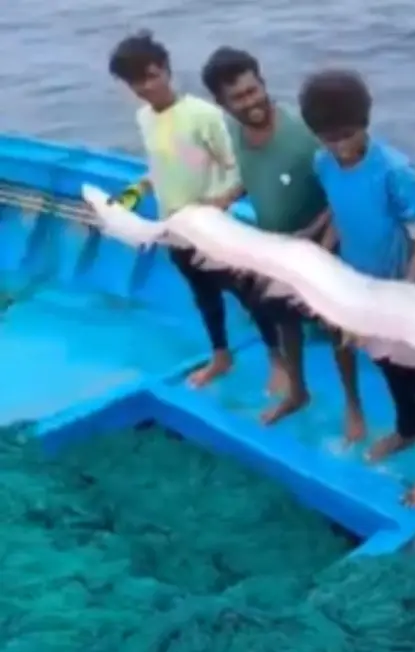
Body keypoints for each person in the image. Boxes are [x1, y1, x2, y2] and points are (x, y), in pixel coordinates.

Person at [296, 68, 415, 505]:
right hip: (357, 288)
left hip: (399, 289)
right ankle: (408, 428)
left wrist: (409, 287)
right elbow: (339, 211)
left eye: (348, 135)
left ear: (365, 122)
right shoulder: (322, 163)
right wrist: (321, 256)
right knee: (385, 364)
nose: (341, 147)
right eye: (330, 138)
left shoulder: (396, 171)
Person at [106, 31, 273, 389]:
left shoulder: (204, 115)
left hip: (213, 230)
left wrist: (220, 202)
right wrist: (137, 190)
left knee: (249, 295)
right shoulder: (144, 118)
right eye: (136, 82)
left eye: (151, 76)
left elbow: (238, 168)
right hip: (175, 228)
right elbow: (162, 166)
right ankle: (221, 356)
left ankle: (279, 360)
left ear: (166, 69)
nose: (146, 87)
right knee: (204, 297)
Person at [200, 46, 331, 425]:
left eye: (253, 90)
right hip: (275, 249)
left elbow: (342, 196)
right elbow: (252, 174)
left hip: (323, 248)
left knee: (338, 334)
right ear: (223, 104)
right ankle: (298, 392)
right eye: (238, 98)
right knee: (283, 320)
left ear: (263, 83)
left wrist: (310, 235)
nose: (250, 102)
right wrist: (228, 196)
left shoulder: (303, 134)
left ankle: (355, 410)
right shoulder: (233, 134)